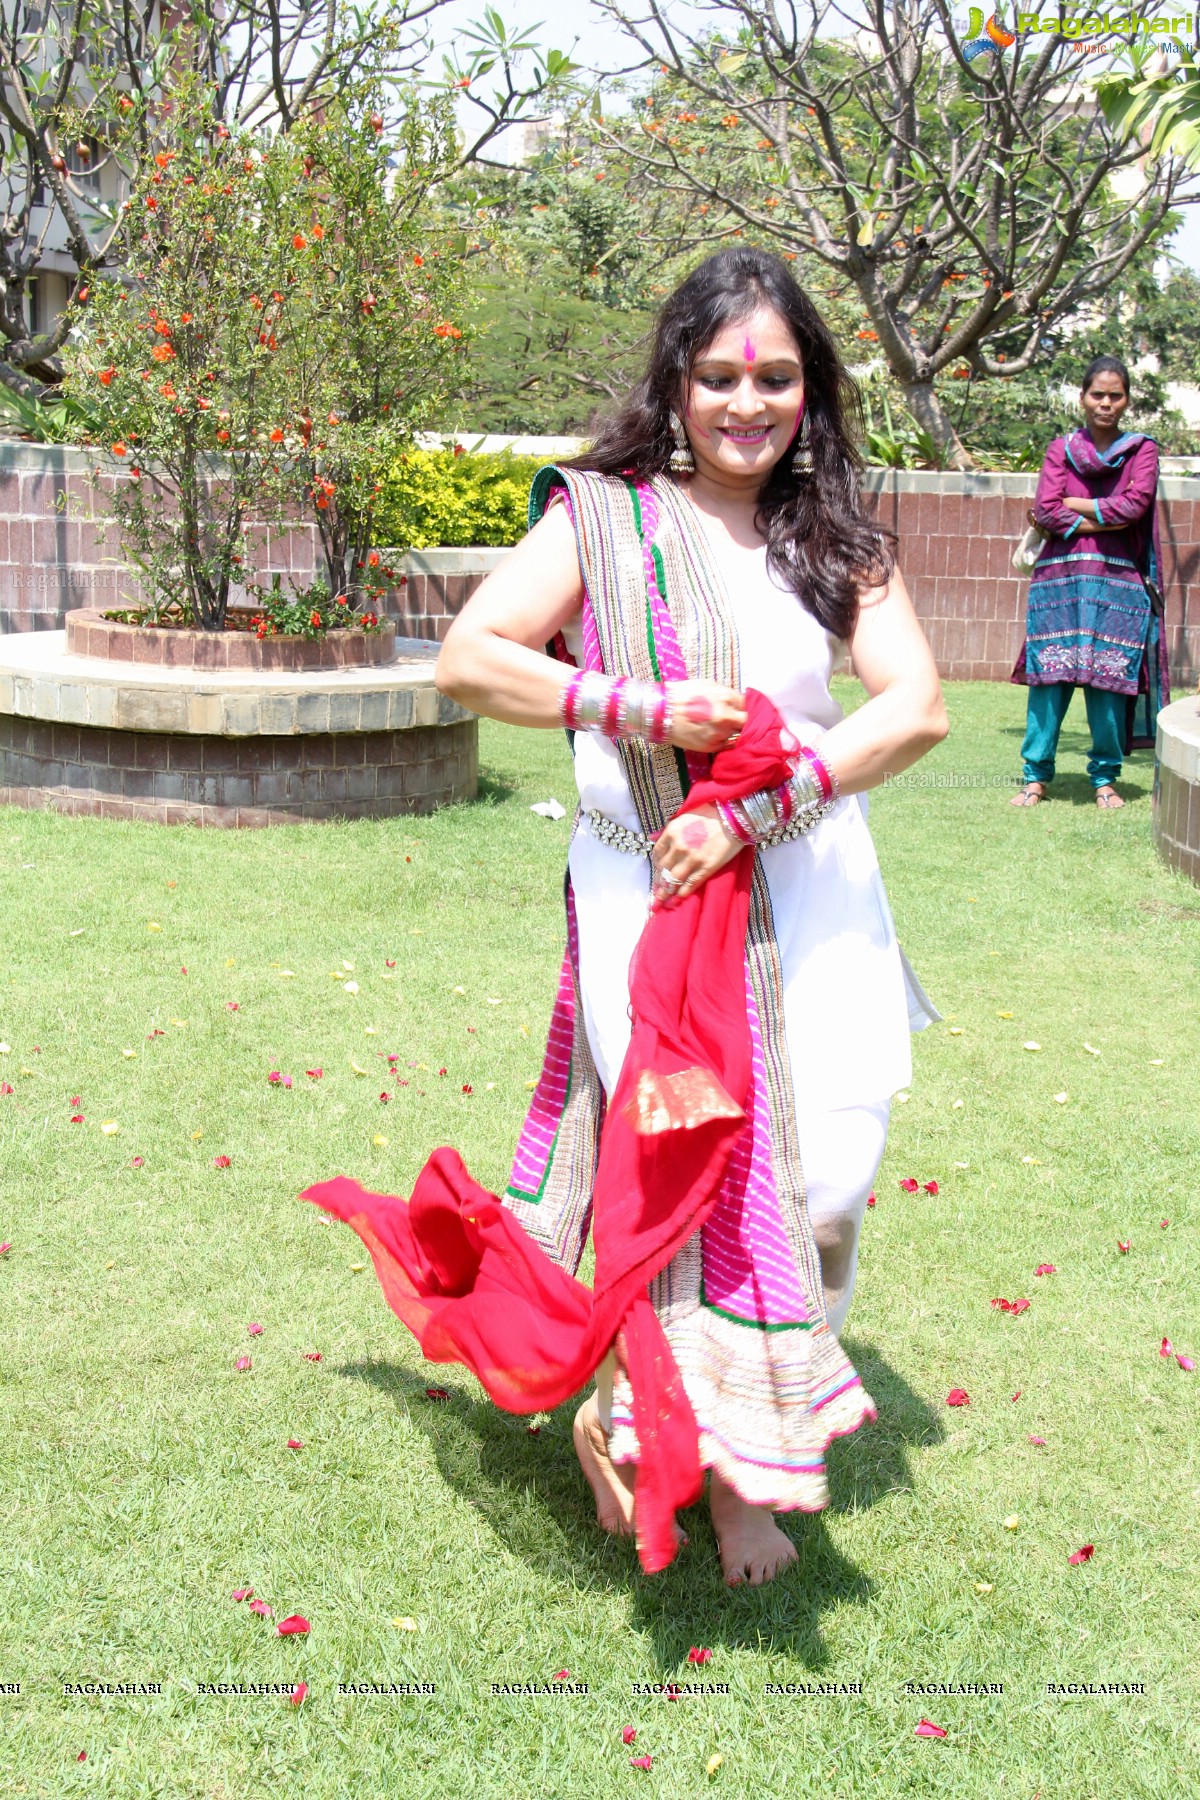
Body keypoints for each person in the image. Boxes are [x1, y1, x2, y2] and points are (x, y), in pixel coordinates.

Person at [303, 247, 947, 1587]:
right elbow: (472, 657)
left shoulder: (837, 537)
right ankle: (715, 1478)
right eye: (720, 376)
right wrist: (636, 707)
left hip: (808, 887)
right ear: (678, 381)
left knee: (825, 1194)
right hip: (649, 895)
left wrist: (761, 811)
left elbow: (917, 706)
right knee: (690, 1182)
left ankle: (694, 1413)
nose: (747, 403)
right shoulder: (604, 520)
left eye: (775, 376)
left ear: (809, 389)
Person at [1010, 355, 1171, 809]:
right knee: (1049, 680)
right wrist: (1102, 516)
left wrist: (1075, 504)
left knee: (1108, 683)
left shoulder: (1141, 450)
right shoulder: (1060, 450)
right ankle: (1034, 777)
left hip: (1117, 585)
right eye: (1097, 394)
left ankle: (1104, 779)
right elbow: (1046, 509)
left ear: (1126, 400)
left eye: (1114, 395)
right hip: (1059, 582)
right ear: (1082, 397)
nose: (1105, 403)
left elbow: (1134, 506)